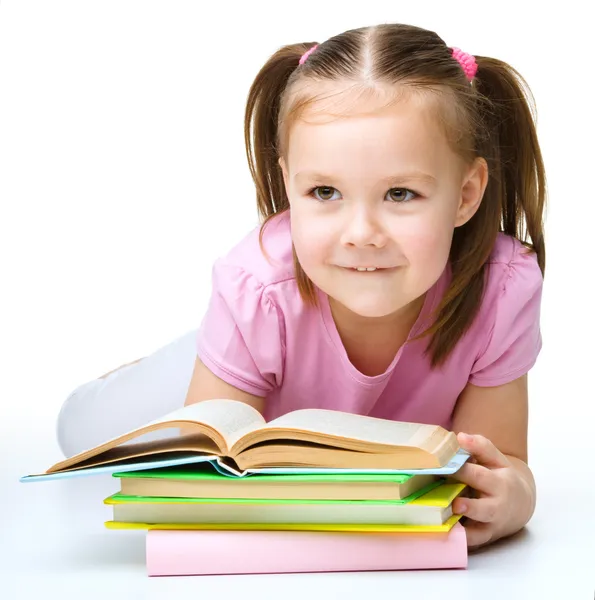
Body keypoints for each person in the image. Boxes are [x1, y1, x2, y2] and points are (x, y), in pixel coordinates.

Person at [56, 23, 546, 549]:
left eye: (401, 194)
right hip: (248, 353)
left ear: (467, 194)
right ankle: (178, 357)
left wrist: (513, 496)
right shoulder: (256, 289)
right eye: (325, 191)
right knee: (82, 431)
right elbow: (200, 479)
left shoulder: (501, 289)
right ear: (289, 183)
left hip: (296, 360)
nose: (361, 234)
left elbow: (499, 464)